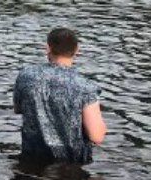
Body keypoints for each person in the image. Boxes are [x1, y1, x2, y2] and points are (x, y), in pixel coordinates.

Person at [12, 28, 107, 165]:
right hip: (70, 164)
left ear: (48, 48)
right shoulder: (85, 87)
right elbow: (96, 136)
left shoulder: (26, 76)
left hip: (31, 158)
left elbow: (18, 109)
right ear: (76, 50)